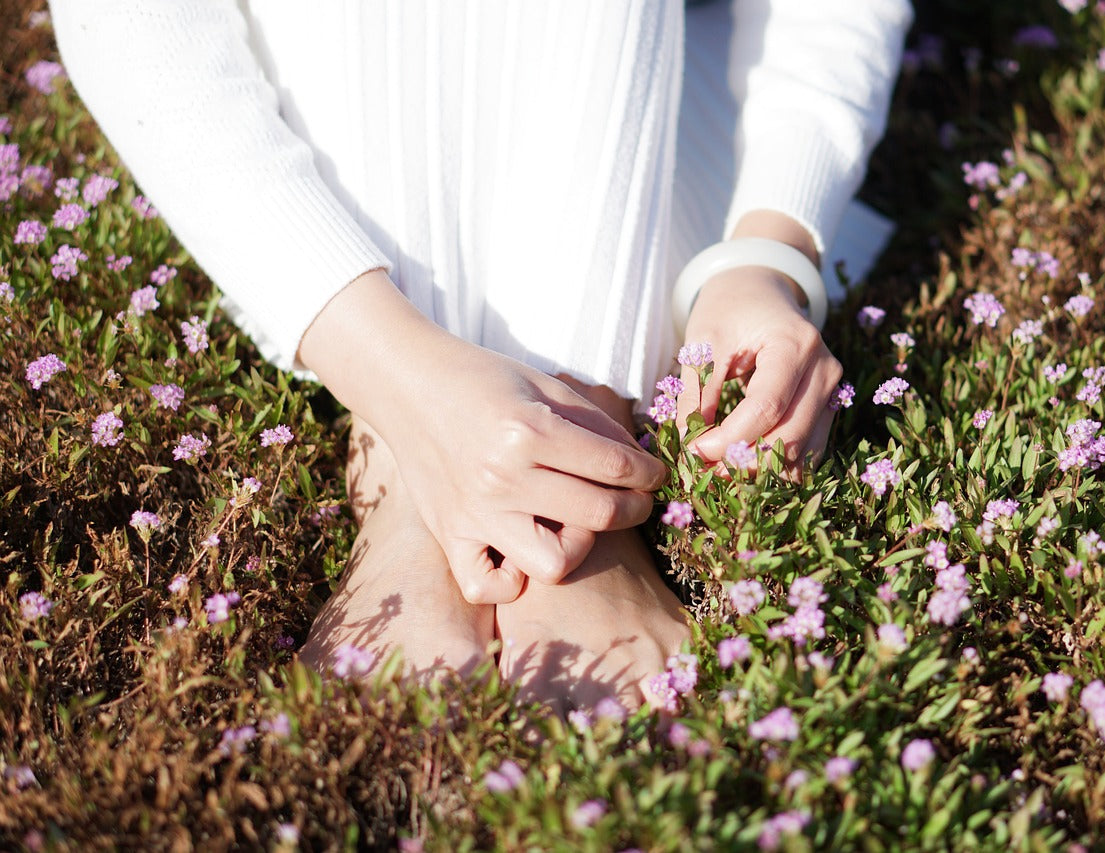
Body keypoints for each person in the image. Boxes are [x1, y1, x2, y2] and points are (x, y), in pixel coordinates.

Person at [49, 0, 911, 712]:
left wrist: (762, 255)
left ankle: (513, 450)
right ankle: (449, 439)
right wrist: (404, 379)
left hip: (666, 95)